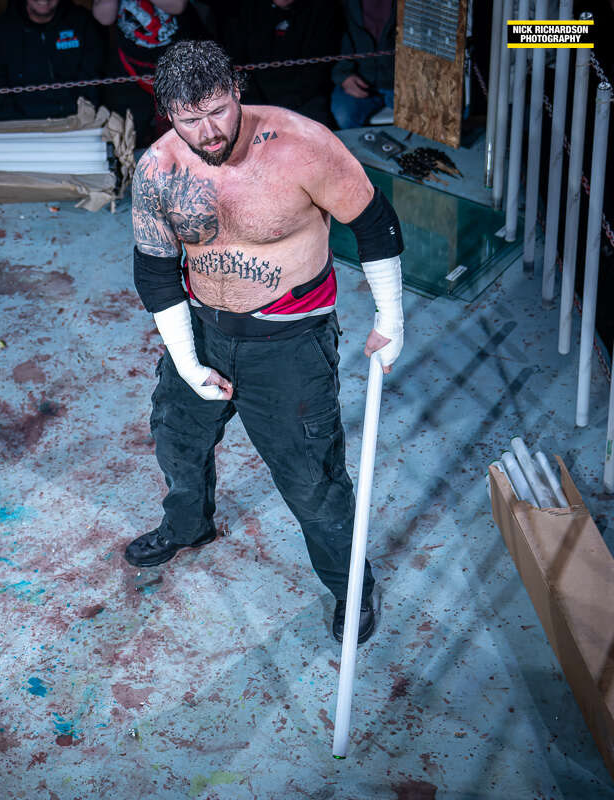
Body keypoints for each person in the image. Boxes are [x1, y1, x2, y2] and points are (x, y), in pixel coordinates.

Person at [127, 40, 405, 643]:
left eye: (217, 111)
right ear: (167, 112)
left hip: (289, 342)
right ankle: (189, 526)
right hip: (202, 328)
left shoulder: (302, 145)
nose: (208, 131)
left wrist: (392, 318)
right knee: (177, 441)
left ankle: (351, 588)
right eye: (189, 119)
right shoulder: (158, 169)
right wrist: (187, 361)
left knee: (312, 480)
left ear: (237, 90)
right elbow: (154, 271)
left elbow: (374, 222)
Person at [0, 0, 106, 121]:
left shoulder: (82, 22)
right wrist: (18, 123)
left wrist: (82, 116)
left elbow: (93, 77)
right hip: (20, 126)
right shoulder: (0, 30)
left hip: (77, 122)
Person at [222, 0, 341, 129]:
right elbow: (237, 65)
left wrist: (285, 109)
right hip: (257, 101)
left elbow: (317, 71)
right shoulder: (243, 11)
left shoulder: (322, 10)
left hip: (305, 99)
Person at [92, 0, 195, 146]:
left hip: (181, 65)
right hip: (131, 68)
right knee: (131, 135)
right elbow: (104, 17)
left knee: (189, 131)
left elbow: (177, 6)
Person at [329, 0, 395, 129]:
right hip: (359, 80)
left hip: (401, 84)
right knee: (343, 116)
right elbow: (334, 38)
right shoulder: (345, 4)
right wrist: (343, 76)